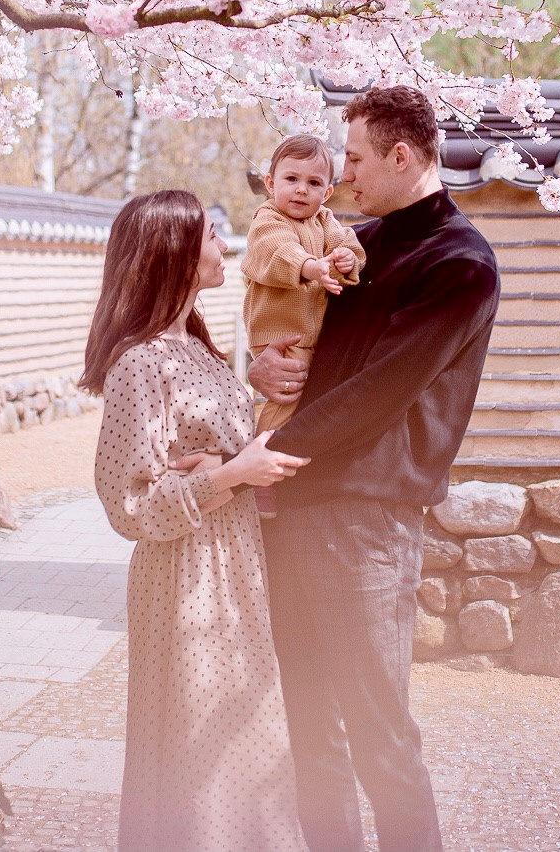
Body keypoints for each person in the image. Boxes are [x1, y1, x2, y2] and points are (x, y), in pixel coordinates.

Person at [248, 85, 501, 852]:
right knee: (310, 732)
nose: (342, 176)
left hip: (366, 520)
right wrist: (259, 369)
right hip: (295, 502)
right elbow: (289, 330)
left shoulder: (460, 264)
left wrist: (261, 459)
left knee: (379, 735)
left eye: (353, 159)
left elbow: (376, 394)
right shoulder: (351, 245)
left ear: (400, 155)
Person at [82, 189, 311, 852]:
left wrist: (248, 385)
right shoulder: (139, 362)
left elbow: (206, 440)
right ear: (173, 254)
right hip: (184, 574)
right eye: (212, 235)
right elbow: (129, 505)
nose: (225, 246)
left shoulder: (196, 346)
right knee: (197, 738)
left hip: (234, 563)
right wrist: (229, 475)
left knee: (244, 731)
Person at [241, 134, 366, 517]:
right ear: (270, 183)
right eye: (291, 179)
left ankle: (290, 470)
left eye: (313, 183)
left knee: (311, 404)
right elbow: (276, 251)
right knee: (284, 401)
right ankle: (256, 477)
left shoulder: (325, 221)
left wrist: (346, 259)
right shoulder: (268, 220)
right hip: (280, 335)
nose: (301, 190)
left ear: (327, 193)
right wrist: (312, 267)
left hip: (314, 335)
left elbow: (349, 244)